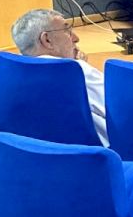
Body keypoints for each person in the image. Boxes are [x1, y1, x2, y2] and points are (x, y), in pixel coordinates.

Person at [10, 9, 108, 146]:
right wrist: (82, 67)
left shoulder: (9, 71)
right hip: (92, 153)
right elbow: (119, 109)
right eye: (67, 31)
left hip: (32, 152)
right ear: (47, 40)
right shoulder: (75, 70)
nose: (76, 38)